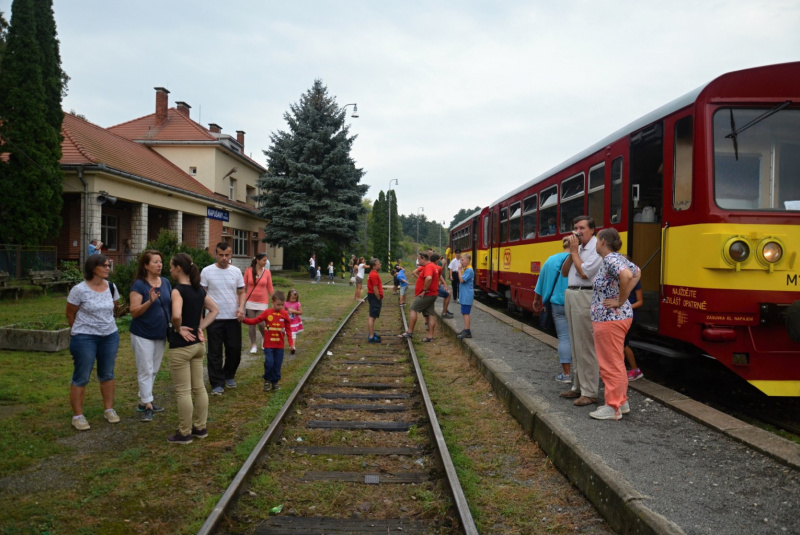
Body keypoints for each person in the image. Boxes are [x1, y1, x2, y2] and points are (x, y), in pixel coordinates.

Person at [589, 228, 641, 420]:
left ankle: (613, 407)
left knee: (609, 363)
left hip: (609, 319)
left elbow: (627, 276)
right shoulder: (618, 258)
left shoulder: (611, 259)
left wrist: (620, 300)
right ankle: (621, 401)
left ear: (602, 241)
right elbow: (637, 273)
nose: (596, 243)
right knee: (616, 361)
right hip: (618, 317)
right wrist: (623, 299)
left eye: (596, 240)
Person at [167, 253, 219, 444]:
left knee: (183, 391)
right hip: (198, 346)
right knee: (199, 387)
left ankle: (184, 432)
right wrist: (200, 327)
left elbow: (176, 314)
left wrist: (178, 328)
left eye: (171, 266)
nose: (170, 270)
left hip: (181, 347)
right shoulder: (199, 290)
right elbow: (215, 310)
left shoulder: (177, 291)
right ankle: (200, 427)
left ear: (178, 268)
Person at [66, 254, 121, 431]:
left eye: (108, 265)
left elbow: (115, 308)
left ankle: (109, 409)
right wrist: (79, 331)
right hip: (85, 337)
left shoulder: (111, 287)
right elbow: (70, 313)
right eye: (104, 266)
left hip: (109, 335)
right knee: (82, 376)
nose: (108, 268)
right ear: (93, 268)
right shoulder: (79, 290)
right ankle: (78, 416)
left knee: (107, 374)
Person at [560, 216, 603, 407]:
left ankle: (590, 391)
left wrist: (575, 252)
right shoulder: (578, 249)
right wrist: (572, 252)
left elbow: (585, 273)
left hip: (585, 295)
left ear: (593, 230)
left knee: (586, 346)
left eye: (582, 228)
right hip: (572, 294)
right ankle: (578, 387)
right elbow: (564, 272)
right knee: (576, 345)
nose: (578, 231)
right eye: (575, 228)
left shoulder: (596, 248)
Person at [128, 250, 172, 422]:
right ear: (145, 266)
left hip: (160, 333)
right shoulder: (139, 285)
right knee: (145, 369)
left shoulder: (166, 282)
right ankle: (148, 404)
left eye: (160, 261)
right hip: (143, 333)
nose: (159, 265)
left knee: (153, 369)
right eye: (155, 262)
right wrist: (150, 301)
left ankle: (143, 400)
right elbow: (134, 311)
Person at [201, 242, 246, 395]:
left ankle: (229, 375)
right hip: (214, 318)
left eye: (227, 255)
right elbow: (202, 294)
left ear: (231, 254)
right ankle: (217, 383)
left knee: (234, 350)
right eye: (221, 255)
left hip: (233, 317)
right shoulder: (207, 271)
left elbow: (242, 292)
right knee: (214, 352)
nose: (224, 258)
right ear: (216, 254)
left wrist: (241, 307)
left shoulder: (236, 271)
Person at [533, 238, 572, 383]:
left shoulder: (551, 260)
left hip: (557, 304)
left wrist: (537, 299)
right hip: (576, 302)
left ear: (563, 245)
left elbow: (540, 281)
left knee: (564, 337)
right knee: (581, 338)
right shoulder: (578, 259)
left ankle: (566, 374)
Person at [243, 291, 291, 392]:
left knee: (277, 364)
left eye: (282, 305)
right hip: (269, 345)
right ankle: (267, 379)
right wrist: (244, 319)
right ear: (272, 302)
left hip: (279, 346)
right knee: (269, 363)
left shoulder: (285, 314)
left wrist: (291, 343)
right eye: (278, 305)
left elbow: (288, 329)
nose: (280, 307)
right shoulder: (267, 313)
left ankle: (275, 382)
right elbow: (255, 320)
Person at [399, 252, 438, 342]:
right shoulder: (432, 266)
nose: (418, 261)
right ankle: (430, 337)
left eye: (418, 259)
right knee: (430, 314)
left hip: (427, 294)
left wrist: (424, 290)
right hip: (432, 294)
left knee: (413, 309)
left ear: (423, 258)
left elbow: (429, 278)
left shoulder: (428, 267)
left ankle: (410, 332)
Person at [244, 252, 274, 354]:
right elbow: (243, 286)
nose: (266, 262)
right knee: (251, 324)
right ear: (258, 260)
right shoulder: (248, 271)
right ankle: (253, 345)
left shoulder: (267, 272)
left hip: (263, 301)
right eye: (264, 260)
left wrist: (274, 300)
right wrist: (240, 301)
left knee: (261, 323)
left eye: (266, 260)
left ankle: (265, 339)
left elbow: (270, 287)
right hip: (250, 301)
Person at [624, 268, 644, 381]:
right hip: (622, 316)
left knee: (623, 344)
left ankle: (635, 370)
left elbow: (640, 301)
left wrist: (624, 307)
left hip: (630, 317)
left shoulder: (635, 282)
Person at [456, 253, 474, 339]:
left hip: (467, 294)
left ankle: (467, 331)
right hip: (464, 294)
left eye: (462, 260)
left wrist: (459, 270)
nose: (461, 262)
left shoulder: (469, 270)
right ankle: (466, 329)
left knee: (466, 312)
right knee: (464, 312)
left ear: (468, 260)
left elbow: (462, 280)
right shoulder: (466, 269)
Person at [366, 258, 383, 343]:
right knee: (372, 316)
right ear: (374, 266)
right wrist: (378, 298)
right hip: (374, 296)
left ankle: (371, 333)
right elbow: (375, 288)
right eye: (378, 264)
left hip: (372, 296)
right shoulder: (374, 275)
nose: (380, 265)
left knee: (373, 315)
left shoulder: (373, 274)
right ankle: (371, 336)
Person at [284, 289, 303, 354]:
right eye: (292, 298)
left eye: (295, 298)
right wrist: (287, 312)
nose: (294, 300)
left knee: (293, 334)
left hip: (294, 321)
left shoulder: (297, 303)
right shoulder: (285, 303)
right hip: (287, 321)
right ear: (288, 297)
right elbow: (282, 311)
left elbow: (301, 312)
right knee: (285, 333)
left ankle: (293, 346)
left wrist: (294, 311)